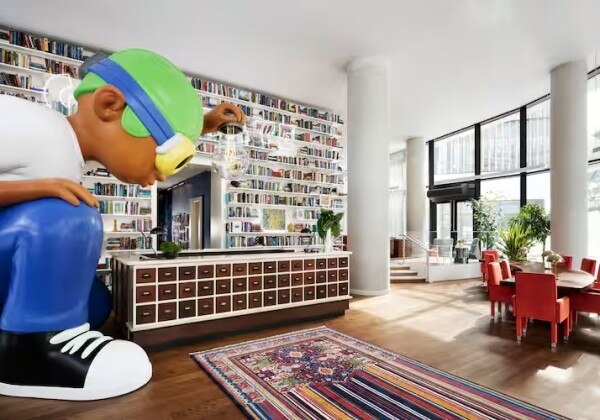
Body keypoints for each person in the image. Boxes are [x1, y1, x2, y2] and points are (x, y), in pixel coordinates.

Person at [0, 49, 245, 400]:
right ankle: (29, 354)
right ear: (110, 105)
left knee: (96, 303)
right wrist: (41, 188)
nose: (162, 173)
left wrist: (204, 125)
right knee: (68, 213)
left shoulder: (67, 151)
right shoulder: (31, 124)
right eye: (168, 156)